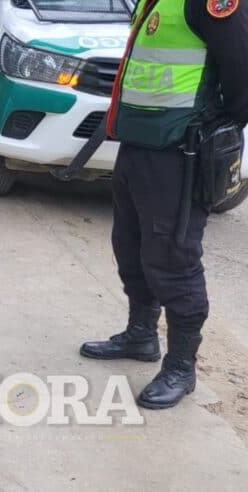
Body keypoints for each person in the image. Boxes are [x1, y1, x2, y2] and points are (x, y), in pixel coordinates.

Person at [80, 0, 248, 409]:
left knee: (173, 257)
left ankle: (181, 367)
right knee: (131, 246)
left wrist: (212, 131)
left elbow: (243, 75)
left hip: (180, 153)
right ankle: (141, 334)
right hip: (138, 144)